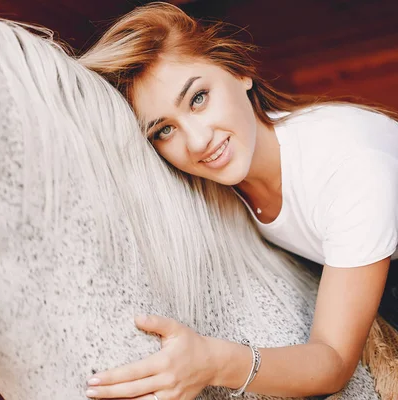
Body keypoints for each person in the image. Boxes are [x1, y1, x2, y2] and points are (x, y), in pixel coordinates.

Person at [79, 2, 398, 399]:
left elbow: (332, 361)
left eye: (198, 98)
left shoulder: (349, 167)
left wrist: (214, 361)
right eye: (163, 130)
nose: (196, 141)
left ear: (240, 71)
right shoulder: (214, 182)